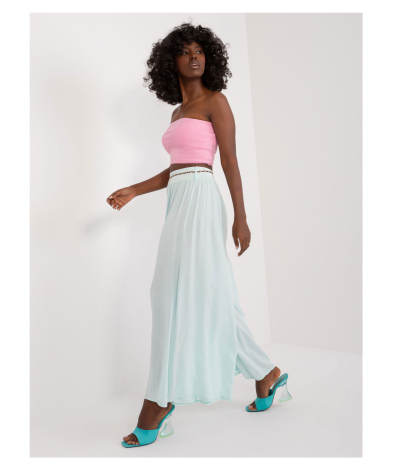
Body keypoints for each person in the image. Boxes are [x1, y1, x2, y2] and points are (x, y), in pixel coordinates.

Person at [107, 23, 292, 449]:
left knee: (182, 294)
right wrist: (134, 189)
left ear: (209, 57)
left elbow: (229, 162)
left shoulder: (216, 102)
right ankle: (266, 373)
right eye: (185, 51)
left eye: (199, 51)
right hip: (179, 199)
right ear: (170, 62)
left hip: (203, 199)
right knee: (198, 294)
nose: (194, 57)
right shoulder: (177, 113)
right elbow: (176, 168)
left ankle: (157, 403)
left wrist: (241, 218)